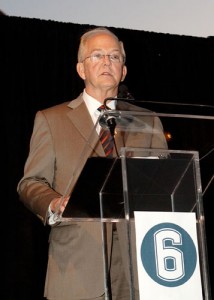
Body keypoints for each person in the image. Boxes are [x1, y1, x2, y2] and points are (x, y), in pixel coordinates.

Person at [17, 27, 168, 300]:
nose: (107, 61)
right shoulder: (52, 120)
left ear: (123, 71)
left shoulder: (148, 121)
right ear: (80, 69)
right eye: (97, 55)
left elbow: (164, 186)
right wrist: (54, 203)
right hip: (79, 261)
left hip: (140, 262)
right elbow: (30, 183)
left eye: (114, 56)